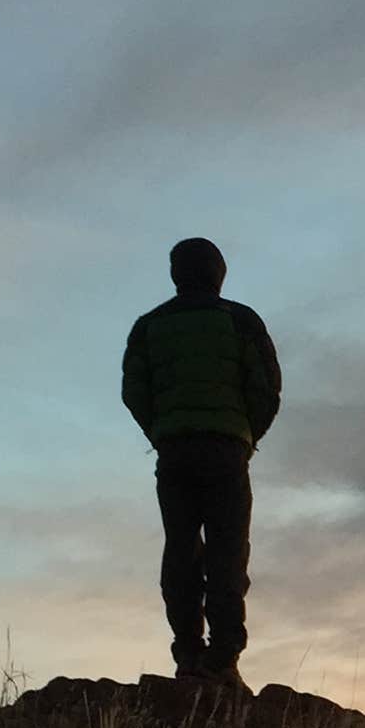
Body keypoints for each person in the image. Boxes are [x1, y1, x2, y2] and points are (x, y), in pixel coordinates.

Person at [120, 238, 282, 685]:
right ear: (219, 273)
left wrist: (162, 430)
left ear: (176, 275)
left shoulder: (148, 326)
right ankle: (224, 660)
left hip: (174, 450)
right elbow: (267, 388)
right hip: (227, 449)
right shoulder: (241, 320)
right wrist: (247, 435)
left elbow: (134, 391)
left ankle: (189, 655)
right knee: (228, 553)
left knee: (181, 551)